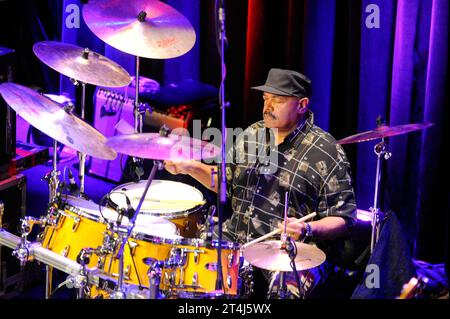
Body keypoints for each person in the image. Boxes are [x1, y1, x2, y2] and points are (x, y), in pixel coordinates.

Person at [164, 68, 357, 298]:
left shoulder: (327, 152)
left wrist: (307, 228)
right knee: (186, 270)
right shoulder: (252, 134)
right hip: (236, 241)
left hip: (292, 253)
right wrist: (188, 166)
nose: (268, 107)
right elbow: (226, 183)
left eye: (278, 100)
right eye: (266, 99)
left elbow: (345, 218)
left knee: (283, 293)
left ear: (302, 105)